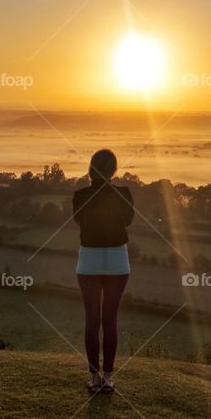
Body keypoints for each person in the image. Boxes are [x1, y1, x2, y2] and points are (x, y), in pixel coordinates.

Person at [73, 149, 134, 394]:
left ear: (91, 168)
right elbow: (128, 221)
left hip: (89, 260)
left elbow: (79, 220)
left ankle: (94, 378)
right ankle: (108, 377)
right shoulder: (124, 194)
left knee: (92, 319)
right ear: (114, 170)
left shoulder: (80, 195)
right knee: (110, 319)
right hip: (118, 260)